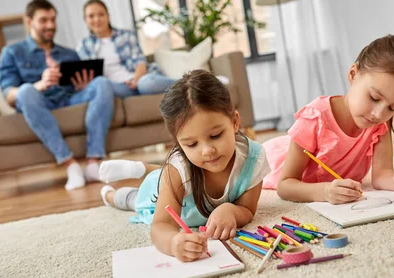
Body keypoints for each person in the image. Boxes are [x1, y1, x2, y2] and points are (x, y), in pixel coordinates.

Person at [98, 70, 271, 262]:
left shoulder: (254, 158)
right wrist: (172, 242)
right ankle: (110, 195)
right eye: (191, 144)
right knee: (134, 199)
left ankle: (144, 168)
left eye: (215, 136)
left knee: (170, 172)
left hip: (179, 178)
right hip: (155, 195)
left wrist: (231, 210)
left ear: (235, 122)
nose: (207, 150)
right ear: (179, 144)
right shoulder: (177, 170)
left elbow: (247, 210)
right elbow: (160, 225)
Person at [263, 34, 394, 203]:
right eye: (374, 98)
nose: (379, 114)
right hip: (272, 160)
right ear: (353, 74)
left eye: (392, 107)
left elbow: (381, 176)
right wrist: (325, 191)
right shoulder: (314, 118)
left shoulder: (378, 124)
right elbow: (285, 186)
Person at [0, 0, 114, 191]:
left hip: (68, 99)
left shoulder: (68, 53)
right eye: (44, 20)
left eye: (53, 20)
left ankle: (93, 162)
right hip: (39, 102)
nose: (50, 25)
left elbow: (82, 88)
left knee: (101, 83)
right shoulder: (12, 52)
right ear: (29, 21)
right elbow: (9, 95)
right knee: (26, 90)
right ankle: (70, 164)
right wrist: (40, 85)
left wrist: (83, 86)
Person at [77, 0, 175, 98]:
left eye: (101, 14)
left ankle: (187, 84)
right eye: (91, 16)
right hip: (115, 87)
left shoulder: (126, 35)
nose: (97, 19)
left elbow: (140, 62)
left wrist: (135, 81)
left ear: (108, 16)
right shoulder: (84, 46)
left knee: (147, 84)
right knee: (102, 86)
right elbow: (87, 76)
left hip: (138, 79)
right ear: (85, 20)